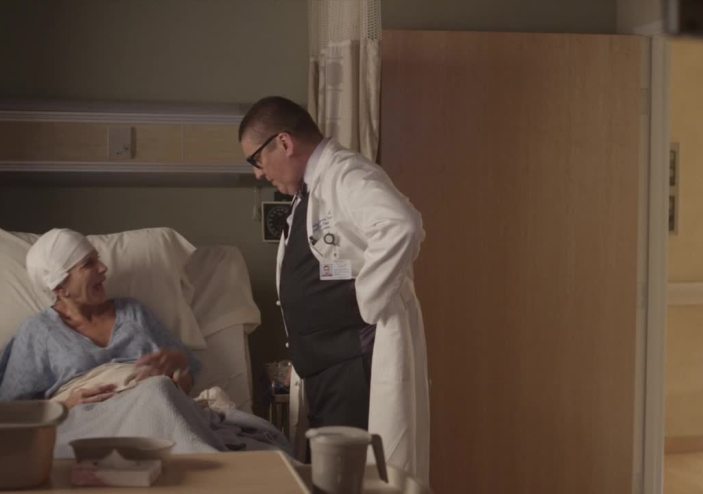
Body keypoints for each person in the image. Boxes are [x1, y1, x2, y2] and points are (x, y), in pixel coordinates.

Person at [239, 96, 430, 481]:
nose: (258, 174)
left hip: (353, 366)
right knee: (336, 479)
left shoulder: (346, 174)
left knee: (356, 480)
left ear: (284, 143)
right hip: (328, 370)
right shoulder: (312, 190)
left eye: (256, 160)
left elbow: (401, 225)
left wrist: (367, 302)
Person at [0, 228, 198, 407]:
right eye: (89, 264)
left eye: (98, 259)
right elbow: (10, 410)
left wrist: (179, 366)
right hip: (87, 421)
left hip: (153, 405)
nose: (103, 268)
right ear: (60, 287)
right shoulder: (38, 331)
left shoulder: (134, 313)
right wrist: (65, 406)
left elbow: (187, 378)